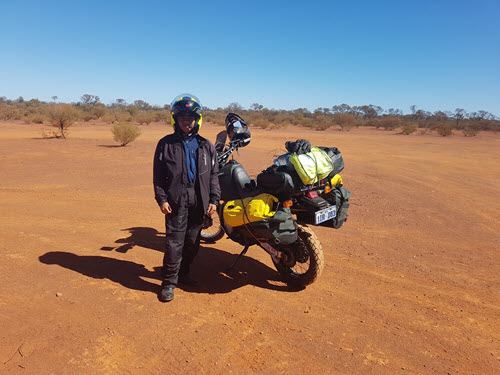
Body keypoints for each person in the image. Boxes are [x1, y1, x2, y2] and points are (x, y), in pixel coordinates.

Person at [153, 93, 220, 302]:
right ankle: (169, 283)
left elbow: (214, 175)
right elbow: (158, 177)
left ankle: (183, 273)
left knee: (192, 241)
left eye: (190, 117)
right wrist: (162, 199)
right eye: (181, 117)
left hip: (199, 199)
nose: (186, 121)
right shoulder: (165, 144)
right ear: (175, 119)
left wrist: (214, 200)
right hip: (176, 198)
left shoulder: (206, 145)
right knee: (175, 243)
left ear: (197, 119)